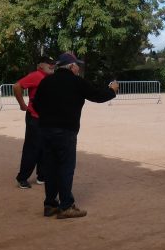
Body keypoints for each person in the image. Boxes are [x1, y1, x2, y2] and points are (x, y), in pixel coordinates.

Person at [29, 53, 117, 219]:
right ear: (70, 66)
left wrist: (48, 118)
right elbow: (98, 96)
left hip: (46, 130)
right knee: (65, 167)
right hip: (66, 131)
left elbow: (36, 104)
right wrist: (111, 91)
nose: (78, 68)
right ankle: (66, 206)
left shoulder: (46, 81)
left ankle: (50, 204)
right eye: (77, 65)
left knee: (51, 167)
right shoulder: (77, 82)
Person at [13, 55, 55, 189]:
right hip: (35, 117)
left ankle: (42, 176)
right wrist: (22, 104)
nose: (51, 65)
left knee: (45, 147)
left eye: (53, 63)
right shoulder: (36, 75)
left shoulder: (50, 78)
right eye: (48, 63)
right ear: (40, 65)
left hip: (46, 119)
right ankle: (22, 178)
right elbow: (17, 86)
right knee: (32, 148)